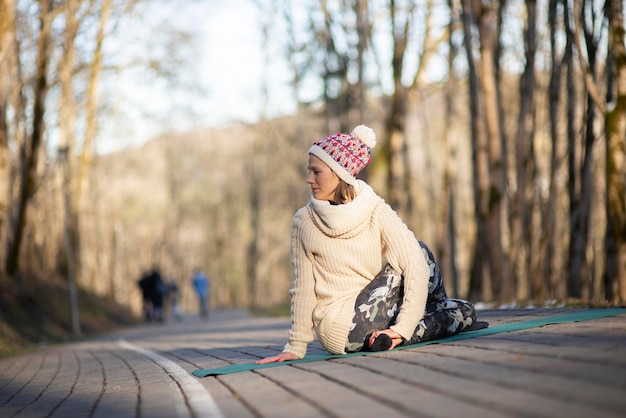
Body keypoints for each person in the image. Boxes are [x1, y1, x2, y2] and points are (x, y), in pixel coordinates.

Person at [255, 125, 487, 364]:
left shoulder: (373, 209)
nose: (309, 179)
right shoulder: (305, 221)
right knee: (419, 252)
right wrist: (295, 346)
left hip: (359, 323)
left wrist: (297, 345)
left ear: (339, 173)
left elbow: (303, 288)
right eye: (309, 171)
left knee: (464, 309)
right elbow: (303, 288)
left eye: (316, 172)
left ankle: (401, 331)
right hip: (345, 326)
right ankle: (418, 325)